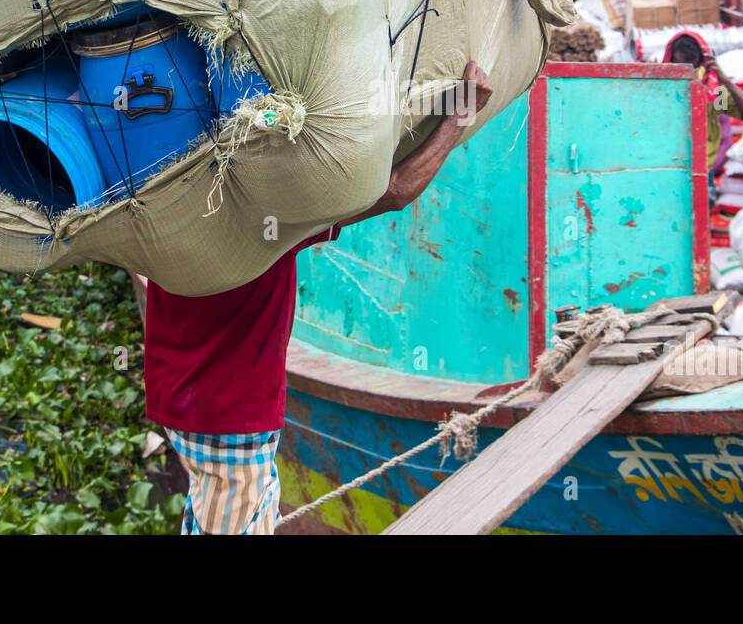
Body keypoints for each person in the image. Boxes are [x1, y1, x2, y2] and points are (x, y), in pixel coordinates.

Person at [143, 60, 493, 534]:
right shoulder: (270, 218)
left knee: (208, 516)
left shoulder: (165, 196)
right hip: (231, 418)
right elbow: (395, 191)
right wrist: (458, 117)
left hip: (177, 403)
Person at [664, 31, 743, 176]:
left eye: (693, 68)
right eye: (682, 68)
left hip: (701, 170)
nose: (688, 75)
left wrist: (725, 80)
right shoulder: (661, 91)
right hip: (666, 168)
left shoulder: (713, 94)